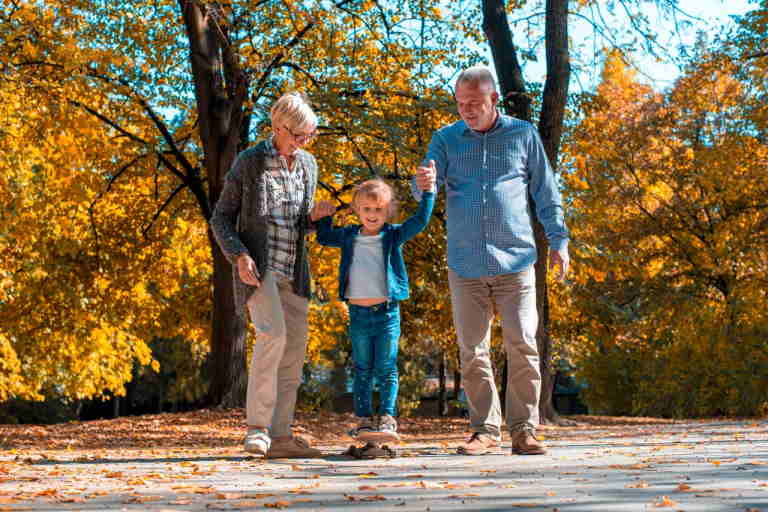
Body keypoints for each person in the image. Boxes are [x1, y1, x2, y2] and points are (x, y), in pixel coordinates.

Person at [413, 66, 569, 456]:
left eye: (475, 103)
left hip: (516, 261)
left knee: (522, 345)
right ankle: (484, 430)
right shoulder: (446, 139)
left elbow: (545, 192)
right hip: (465, 264)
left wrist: (558, 240)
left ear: (494, 99)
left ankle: (524, 429)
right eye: (461, 103)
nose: (467, 110)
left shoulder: (522, 135)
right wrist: (423, 187)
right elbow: (425, 191)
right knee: (472, 351)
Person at [210, 92, 322, 459]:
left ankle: (281, 434)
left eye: (309, 136)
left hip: (295, 271)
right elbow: (221, 217)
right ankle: (257, 430)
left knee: (292, 352)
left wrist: (315, 219)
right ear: (277, 127)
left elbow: (300, 222)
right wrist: (238, 255)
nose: (303, 142)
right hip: (260, 270)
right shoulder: (250, 162)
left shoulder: (308, 165)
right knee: (272, 336)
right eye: (298, 135)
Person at [311, 178, 434, 443]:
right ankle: (364, 419)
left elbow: (420, 221)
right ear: (357, 209)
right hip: (358, 314)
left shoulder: (393, 235)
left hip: (387, 313)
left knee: (387, 367)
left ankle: (388, 418)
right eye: (366, 209)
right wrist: (323, 217)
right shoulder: (348, 236)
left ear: (388, 211)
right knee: (363, 368)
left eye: (378, 209)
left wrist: (428, 193)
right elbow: (323, 236)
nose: (372, 215)